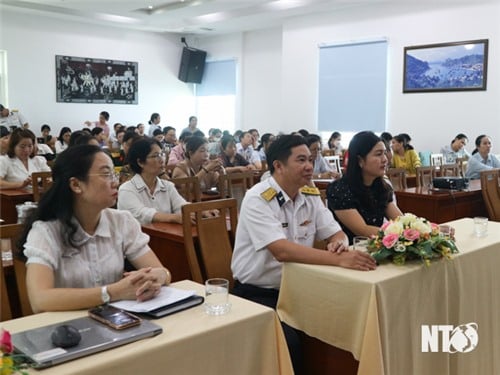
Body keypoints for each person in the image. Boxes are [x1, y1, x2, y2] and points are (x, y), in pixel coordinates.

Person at [231, 134, 376, 373]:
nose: (309, 166)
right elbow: (281, 251)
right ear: (278, 165)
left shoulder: (309, 194)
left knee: (344, 324)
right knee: (291, 343)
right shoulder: (258, 198)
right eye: (301, 160)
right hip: (260, 294)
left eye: (310, 159)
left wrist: (338, 244)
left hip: (301, 289)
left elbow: (336, 233)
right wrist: (339, 259)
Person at [19, 145, 171, 312]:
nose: (116, 182)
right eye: (106, 174)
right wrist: (112, 292)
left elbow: (161, 271)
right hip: (66, 330)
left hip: (117, 323)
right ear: (76, 184)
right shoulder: (46, 231)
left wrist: (158, 277)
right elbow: (40, 300)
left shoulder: (122, 221)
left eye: (114, 173)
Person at [327, 131, 402, 243]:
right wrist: (401, 235)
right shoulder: (340, 190)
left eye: (385, 153)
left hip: (377, 247)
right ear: (360, 161)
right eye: (378, 154)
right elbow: (362, 230)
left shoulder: (382, 187)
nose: (385, 159)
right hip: (350, 251)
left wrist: (416, 230)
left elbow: (400, 220)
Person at [118, 138, 186, 224]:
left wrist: (199, 211)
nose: (162, 160)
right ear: (140, 162)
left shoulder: (168, 186)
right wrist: (173, 218)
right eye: (156, 156)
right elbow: (141, 213)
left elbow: (181, 206)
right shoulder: (126, 189)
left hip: (165, 234)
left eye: (162, 154)